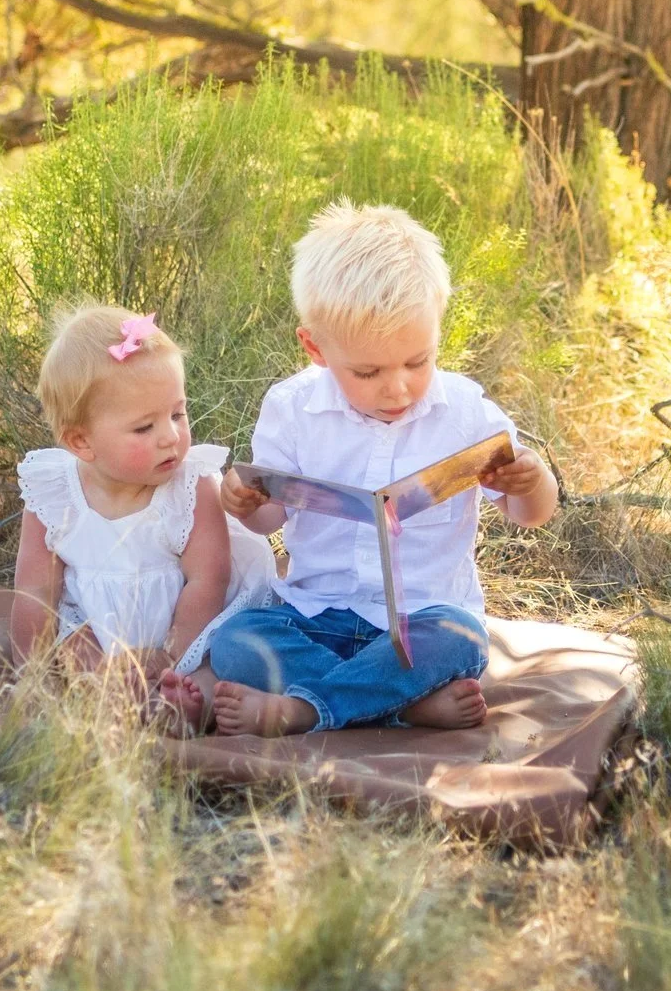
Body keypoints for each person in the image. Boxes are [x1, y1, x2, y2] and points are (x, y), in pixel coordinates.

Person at [212, 202, 560, 736]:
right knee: (235, 642)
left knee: (460, 639)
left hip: (423, 623)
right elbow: (269, 521)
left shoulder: (465, 412)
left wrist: (532, 481)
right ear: (315, 347)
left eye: (417, 362)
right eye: (368, 371)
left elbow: (529, 515)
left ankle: (305, 709)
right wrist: (243, 503)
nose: (397, 388)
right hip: (315, 616)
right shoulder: (292, 407)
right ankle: (401, 707)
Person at [11, 304, 277, 735]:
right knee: (73, 650)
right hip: (97, 627)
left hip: (191, 628)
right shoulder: (54, 493)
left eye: (177, 413)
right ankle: (101, 693)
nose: (171, 436)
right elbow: (35, 592)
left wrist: (170, 654)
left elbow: (208, 581)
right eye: (144, 427)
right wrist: (32, 673)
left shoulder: (191, 486)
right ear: (82, 441)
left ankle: (187, 704)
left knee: (224, 660)